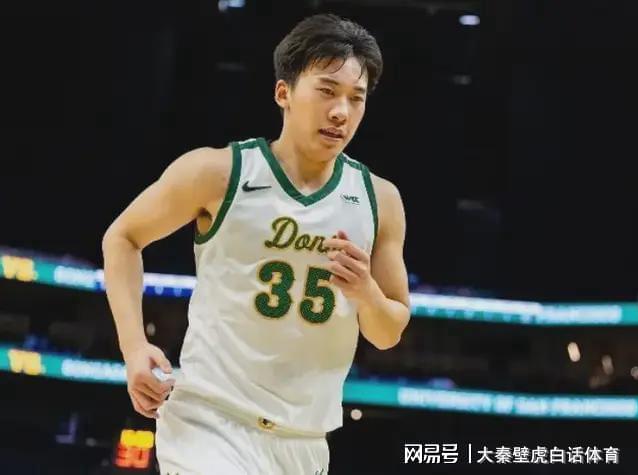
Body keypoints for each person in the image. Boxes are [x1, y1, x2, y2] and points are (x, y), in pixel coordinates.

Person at [102, 13, 410, 474]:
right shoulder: (218, 172)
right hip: (209, 422)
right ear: (283, 93)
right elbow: (123, 237)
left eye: (356, 98)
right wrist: (133, 347)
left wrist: (366, 292)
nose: (341, 112)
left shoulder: (378, 199)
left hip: (304, 440)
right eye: (327, 91)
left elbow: (388, 333)